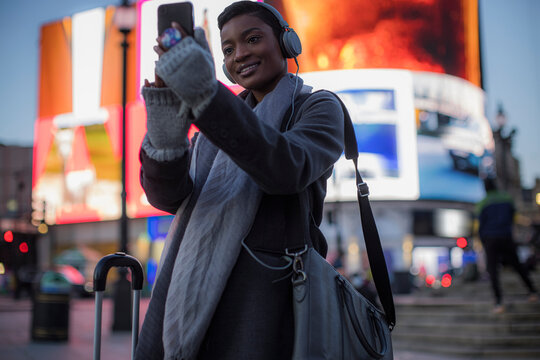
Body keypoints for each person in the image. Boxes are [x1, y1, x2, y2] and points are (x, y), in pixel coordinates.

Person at [134, 2, 344, 359]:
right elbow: (169, 197)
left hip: (267, 304)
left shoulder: (318, 108)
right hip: (191, 296)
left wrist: (204, 94)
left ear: (286, 43)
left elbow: (284, 167)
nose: (240, 54)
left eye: (252, 39)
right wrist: (166, 128)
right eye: (228, 49)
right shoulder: (212, 127)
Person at [476, 178, 538, 314]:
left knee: (492, 270)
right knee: (517, 265)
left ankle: (498, 302)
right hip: (505, 236)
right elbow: (512, 216)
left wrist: (483, 240)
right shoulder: (506, 198)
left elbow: (481, 224)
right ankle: (532, 291)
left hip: (490, 239)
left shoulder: (483, 203)